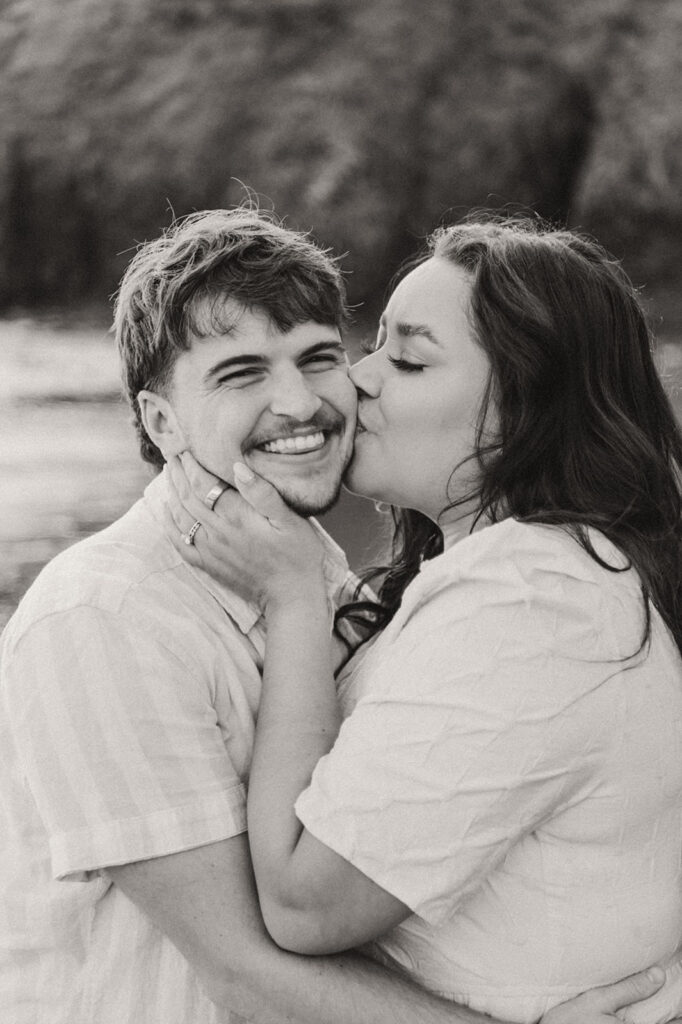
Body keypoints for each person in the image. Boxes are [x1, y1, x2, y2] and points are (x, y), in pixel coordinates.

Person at [0, 207, 647, 1024]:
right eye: (241, 375)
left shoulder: (316, 574)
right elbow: (245, 973)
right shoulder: (104, 617)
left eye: (319, 358)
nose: (301, 403)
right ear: (162, 423)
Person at [166, 216, 682, 1024]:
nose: (356, 380)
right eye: (373, 346)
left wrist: (294, 602)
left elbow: (305, 905)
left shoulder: (531, 602)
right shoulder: (566, 573)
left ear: (525, 408)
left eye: (407, 359)